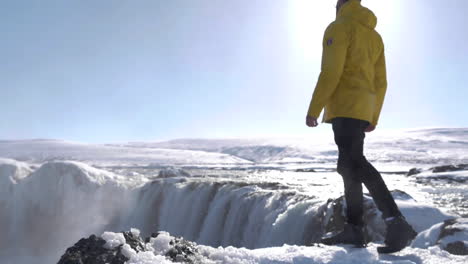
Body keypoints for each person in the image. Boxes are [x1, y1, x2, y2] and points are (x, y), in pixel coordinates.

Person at [305, 0, 417, 253]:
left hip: (345, 103)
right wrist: (373, 116)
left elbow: (330, 71)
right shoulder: (374, 36)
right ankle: (355, 229)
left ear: (340, 4)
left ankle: (395, 221)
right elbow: (381, 81)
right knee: (347, 166)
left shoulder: (339, 27)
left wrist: (315, 108)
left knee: (355, 162)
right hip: (363, 107)